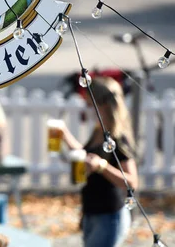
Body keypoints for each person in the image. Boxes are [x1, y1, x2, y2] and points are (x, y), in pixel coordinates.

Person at [58, 77, 138, 247]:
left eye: (89, 102)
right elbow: (86, 155)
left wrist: (102, 166)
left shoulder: (117, 138)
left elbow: (132, 182)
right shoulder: (98, 130)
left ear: (101, 104)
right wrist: (64, 134)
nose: (87, 107)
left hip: (109, 215)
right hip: (91, 210)